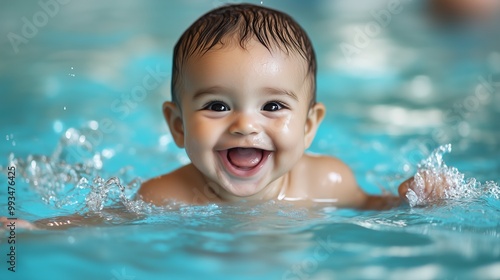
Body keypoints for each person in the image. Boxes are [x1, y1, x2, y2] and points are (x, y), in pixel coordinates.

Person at [137, 3, 421, 209]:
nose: (245, 125)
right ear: (178, 125)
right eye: (218, 106)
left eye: (272, 106)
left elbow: (377, 209)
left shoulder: (325, 183)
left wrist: (413, 200)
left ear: (308, 126)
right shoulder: (162, 198)